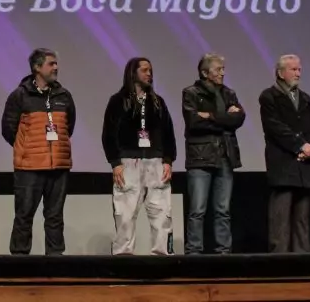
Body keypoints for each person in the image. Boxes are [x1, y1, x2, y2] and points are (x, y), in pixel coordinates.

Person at [1, 48, 77, 255]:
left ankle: (55, 261)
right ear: (37, 67)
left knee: (55, 217)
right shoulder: (20, 95)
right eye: (51, 64)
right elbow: (8, 130)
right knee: (24, 215)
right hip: (29, 167)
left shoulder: (64, 95)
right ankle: (19, 260)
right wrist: (28, 149)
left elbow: (68, 128)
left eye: (56, 63)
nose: (56, 67)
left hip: (58, 167)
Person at [101, 57, 177, 255]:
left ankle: (163, 257)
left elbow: (168, 132)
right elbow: (109, 133)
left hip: (156, 162)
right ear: (133, 73)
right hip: (128, 162)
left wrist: (168, 160)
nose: (149, 74)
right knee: (125, 214)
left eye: (150, 70)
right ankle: (123, 257)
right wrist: (115, 163)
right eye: (144, 70)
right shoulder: (118, 101)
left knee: (162, 213)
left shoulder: (158, 102)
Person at [180, 53, 245, 255]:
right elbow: (193, 122)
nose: (222, 73)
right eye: (218, 69)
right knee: (197, 210)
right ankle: (194, 251)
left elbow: (239, 119)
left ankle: (223, 251)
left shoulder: (229, 93)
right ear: (205, 72)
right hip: (200, 157)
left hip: (225, 155)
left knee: (223, 210)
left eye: (223, 69)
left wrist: (209, 115)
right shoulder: (191, 93)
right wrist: (225, 117)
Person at [259, 54, 310, 253]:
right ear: (280, 73)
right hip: (283, 164)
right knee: (280, 218)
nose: (298, 73)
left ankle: (302, 259)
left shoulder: (306, 99)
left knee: (302, 219)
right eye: (293, 69)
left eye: (299, 69)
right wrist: (300, 145)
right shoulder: (269, 96)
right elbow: (275, 127)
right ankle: (279, 261)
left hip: (305, 167)